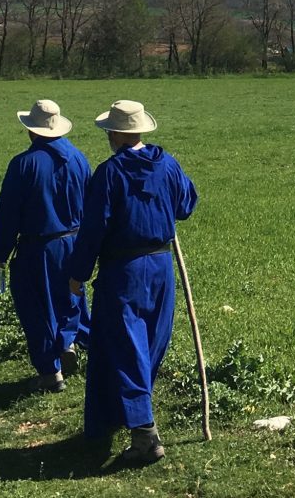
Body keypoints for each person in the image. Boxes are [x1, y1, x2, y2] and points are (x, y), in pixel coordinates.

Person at [67, 100, 198, 463]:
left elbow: (93, 229)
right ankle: (109, 420)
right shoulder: (166, 164)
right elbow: (187, 204)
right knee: (142, 345)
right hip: (160, 265)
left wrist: (78, 273)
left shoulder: (109, 174)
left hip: (123, 270)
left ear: (114, 133)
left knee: (127, 347)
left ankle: (144, 435)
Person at [0, 100, 91, 392]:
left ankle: (49, 371)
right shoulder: (79, 159)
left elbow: (9, 213)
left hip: (38, 246)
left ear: (31, 130)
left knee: (36, 307)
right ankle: (68, 341)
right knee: (71, 298)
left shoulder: (24, 164)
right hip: (74, 240)